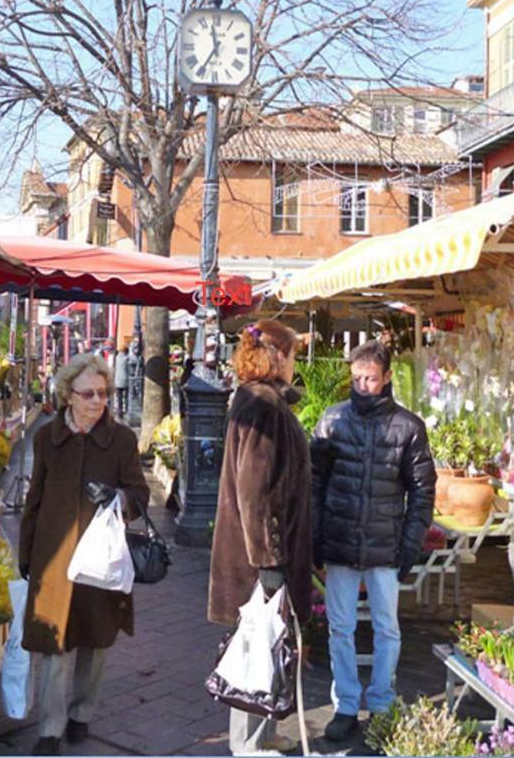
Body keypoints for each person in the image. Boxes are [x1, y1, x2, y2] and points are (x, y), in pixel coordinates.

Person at [18, 352, 151, 756]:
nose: (98, 401)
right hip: (54, 555)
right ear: (68, 395)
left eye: (104, 393)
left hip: (101, 557)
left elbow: (141, 495)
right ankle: (50, 727)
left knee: (96, 639)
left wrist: (120, 498)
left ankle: (81, 715)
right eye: (89, 393)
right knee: (55, 641)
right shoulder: (46, 438)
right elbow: (34, 497)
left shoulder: (122, 439)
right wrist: (27, 554)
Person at [310, 340, 436, 743]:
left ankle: (381, 703)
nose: (363, 386)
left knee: (387, 630)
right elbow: (314, 484)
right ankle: (346, 703)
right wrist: (316, 539)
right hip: (341, 542)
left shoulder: (409, 427)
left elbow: (422, 491)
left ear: (386, 379)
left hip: (385, 545)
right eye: (357, 378)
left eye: (370, 379)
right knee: (340, 629)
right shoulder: (332, 421)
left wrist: (411, 544)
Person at [209, 319, 311, 756]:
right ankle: (248, 745)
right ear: (278, 356)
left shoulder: (261, 401)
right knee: (255, 645)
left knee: (269, 643)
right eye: (292, 355)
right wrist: (268, 563)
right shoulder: (261, 405)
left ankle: (264, 734)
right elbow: (254, 491)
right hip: (258, 558)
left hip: (266, 551)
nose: (294, 364)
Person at [113, 345, 130, 416]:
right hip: (125, 380)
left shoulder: (116, 358)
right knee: (126, 396)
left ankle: (119, 411)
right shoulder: (126, 358)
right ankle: (126, 410)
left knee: (119, 397)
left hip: (117, 380)